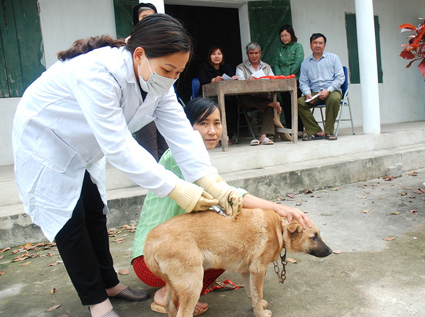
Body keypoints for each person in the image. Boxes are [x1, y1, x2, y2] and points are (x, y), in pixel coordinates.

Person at [12, 14, 242, 317]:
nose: (172, 77)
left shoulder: (158, 81)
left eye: (179, 71)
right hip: (46, 141)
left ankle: (108, 283)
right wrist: (176, 188)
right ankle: (97, 302)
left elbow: (182, 135)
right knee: (71, 223)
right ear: (139, 55)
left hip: (81, 145)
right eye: (168, 69)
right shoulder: (98, 73)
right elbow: (119, 147)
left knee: (93, 212)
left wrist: (213, 183)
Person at [131, 97, 312, 316]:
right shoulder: (177, 157)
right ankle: (169, 294)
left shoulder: (195, 158)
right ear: (184, 129)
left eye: (217, 123)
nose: (212, 131)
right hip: (150, 260)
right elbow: (226, 196)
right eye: (203, 123)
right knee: (229, 250)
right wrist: (278, 208)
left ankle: (178, 289)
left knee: (229, 247)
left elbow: (226, 193)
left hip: (165, 249)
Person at [131, 3, 168, 161]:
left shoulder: (164, 42)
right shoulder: (131, 44)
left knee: (164, 132)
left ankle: (166, 167)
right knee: (147, 131)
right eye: (144, 17)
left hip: (160, 94)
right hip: (140, 96)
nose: (149, 21)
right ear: (136, 23)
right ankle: (151, 168)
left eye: (152, 16)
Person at [236, 42, 289, 146]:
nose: (254, 56)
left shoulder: (267, 67)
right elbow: (239, 85)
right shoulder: (240, 68)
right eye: (251, 53)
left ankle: (264, 136)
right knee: (248, 100)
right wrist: (248, 81)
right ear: (247, 54)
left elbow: (273, 82)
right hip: (249, 99)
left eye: (256, 53)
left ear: (260, 53)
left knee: (269, 106)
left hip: (263, 96)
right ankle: (270, 104)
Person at [298, 33, 345, 141]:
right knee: (299, 103)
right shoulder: (305, 63)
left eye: (320, 43)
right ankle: (316, 131)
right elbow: (303, 82)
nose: (318, 45)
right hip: (315, 93)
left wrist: (328, 90)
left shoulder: (333, 58)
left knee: (334, 99)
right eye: (315, 43)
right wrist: (307, 93)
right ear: (310, 45)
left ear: (324, 45)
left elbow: (340, 78)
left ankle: (328, 132)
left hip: (331, 90)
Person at [198, 45, 238, 145]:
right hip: (209, 98)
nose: (216, 56)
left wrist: (233, 78)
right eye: (214, 54)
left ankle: (228, 136)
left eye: (219, 54)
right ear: (209, 56)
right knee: (215, 107)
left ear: (222, 56)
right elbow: (202, 81)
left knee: (232, 104)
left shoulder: (226, 67)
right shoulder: (203, 67)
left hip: (225, 97)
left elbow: (230, 78)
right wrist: (213, 80)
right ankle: (215, 138)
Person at [273, 24, 305, 136]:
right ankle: (290, 130)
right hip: (282, 82)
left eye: (286, 35)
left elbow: (298, 62)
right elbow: (276, 64)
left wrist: (288, 76)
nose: (284, 38)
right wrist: (279, 76)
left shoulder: (298, 47)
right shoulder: (279, 49)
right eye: (281, 36)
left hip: (295, 80)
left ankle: (300, 130)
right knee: (286, 105)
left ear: (291, 35)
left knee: (296, 105)